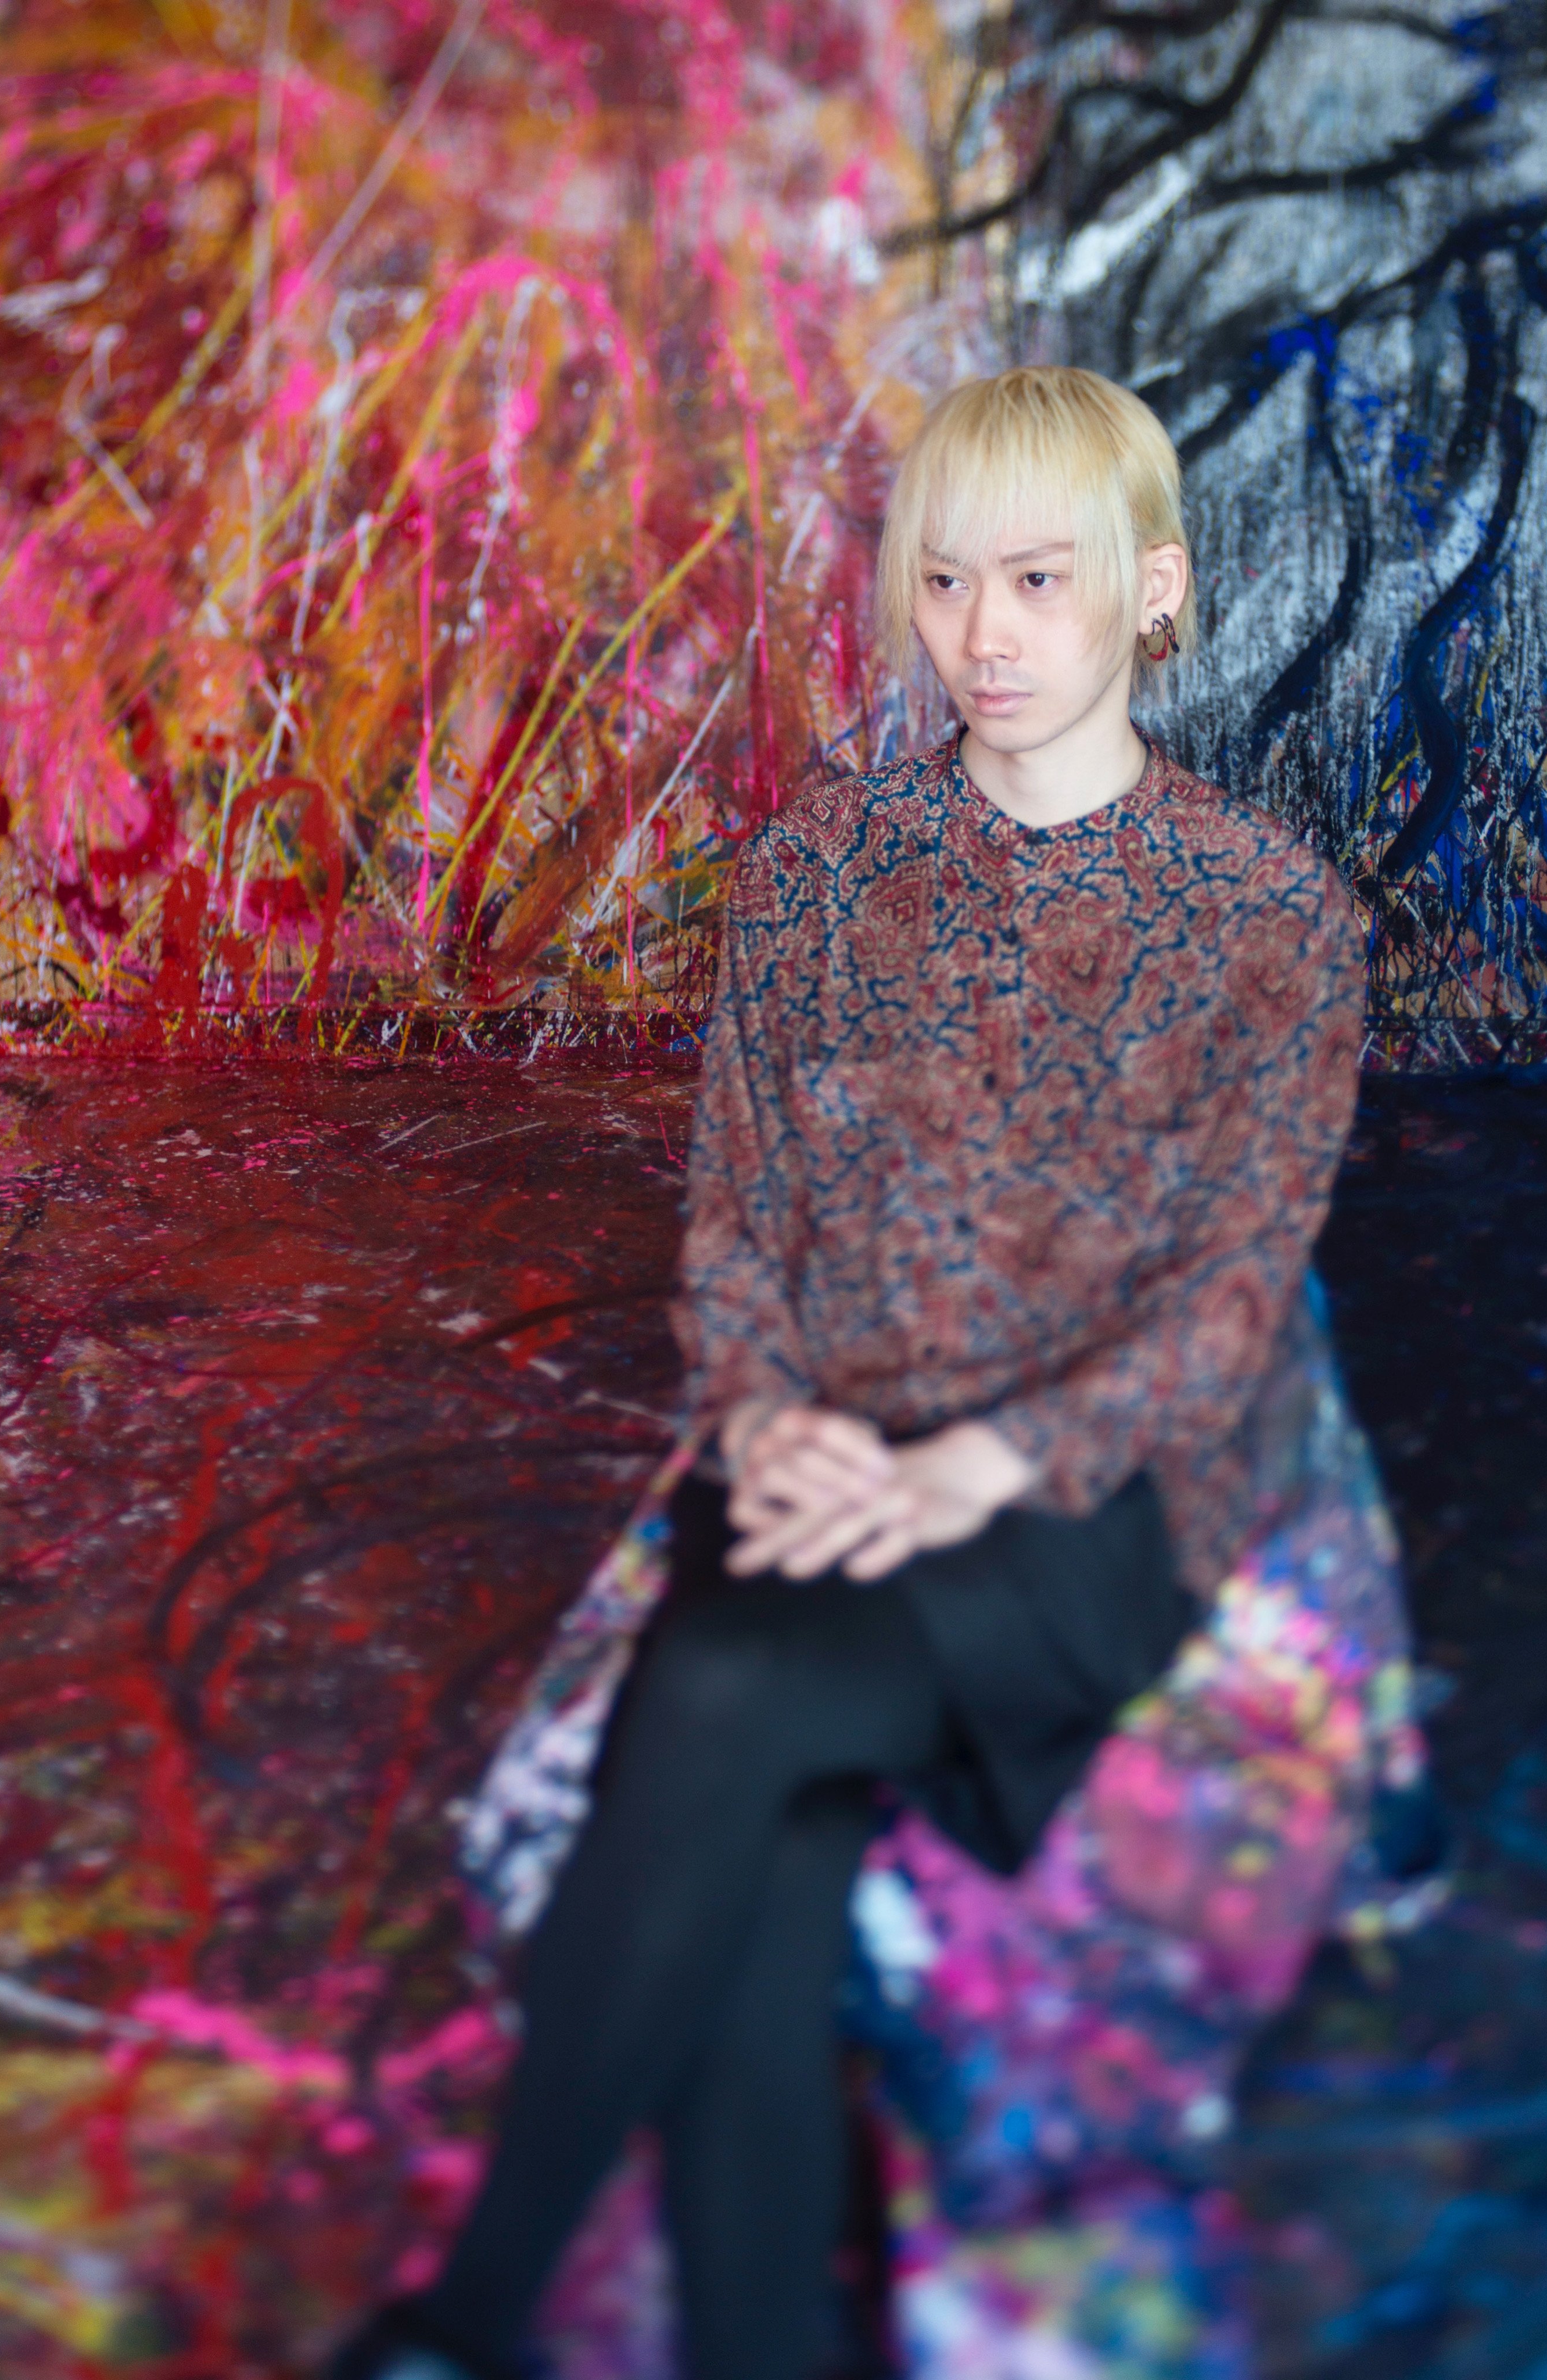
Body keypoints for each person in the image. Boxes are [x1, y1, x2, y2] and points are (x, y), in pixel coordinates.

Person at [334, 364, 1376, 2380]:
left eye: (1041, 579)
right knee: (765, 1843)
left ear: (1154, 590)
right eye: (946, 581)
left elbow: (1229, 1306)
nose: (984, 633)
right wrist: (764, 1412)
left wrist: (977, 1469)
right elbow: (736, 1213)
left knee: (724, 1691)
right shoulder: (817, 868)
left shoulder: (1272, 917)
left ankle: (469, 2318)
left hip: (1080, 1509)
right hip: (825, 1448)